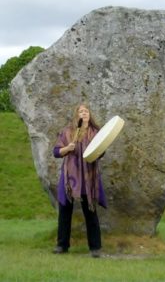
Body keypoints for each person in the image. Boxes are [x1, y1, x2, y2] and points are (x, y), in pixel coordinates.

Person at [53, 103, 106, 257]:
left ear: (90, 114)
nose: (84, 113)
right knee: (64, 212)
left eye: (86, 111)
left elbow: (101, 153)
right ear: (76, 115)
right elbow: (56, 152)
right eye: (81, 111)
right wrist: (66, 149)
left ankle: (95, 248)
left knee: (90, 212)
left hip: (88, 178)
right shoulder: (68, 132)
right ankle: (62, 245)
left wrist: (99, 150)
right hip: (69, 179)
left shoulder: (96, 133)